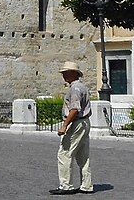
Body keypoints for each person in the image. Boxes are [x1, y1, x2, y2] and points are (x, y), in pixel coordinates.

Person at [50, 61, 93, 195]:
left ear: (74, 73)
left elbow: (74, 109)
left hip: (77, 123)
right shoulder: (83, 87)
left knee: (64, 153)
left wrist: (64, 125)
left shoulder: (74, 89)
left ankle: (66, 185)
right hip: (85, 122)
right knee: (83, 156)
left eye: (66, 73)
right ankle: (86, 185)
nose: (64, 75)